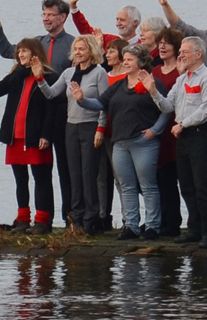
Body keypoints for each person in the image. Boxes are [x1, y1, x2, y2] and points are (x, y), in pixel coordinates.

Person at [0, 0, 75, 227]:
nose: (46, 18)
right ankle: (24, 218)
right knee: (22, 177)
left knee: (62, 172)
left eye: (50, 14)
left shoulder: (71, 44)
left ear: (62, 17)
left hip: (60, 115)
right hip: (22, 129)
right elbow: (5, 54)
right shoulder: (25, 61)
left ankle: (67, 218)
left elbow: (82, 67)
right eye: (43, 14)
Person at [75, 44, 174, 240]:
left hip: (143, 142)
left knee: (148, 185)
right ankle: (131, 225)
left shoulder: (152, 83)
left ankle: (153, 225)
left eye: (129, 59)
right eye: (125, 59)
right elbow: (100, 104)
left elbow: (167, 109)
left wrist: (154, 131)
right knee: (127, 185)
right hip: (120, 142)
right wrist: (82, 99)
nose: (125, 62)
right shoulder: (119, 85)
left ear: (140, 62)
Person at [0, 38, 58, 234]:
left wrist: (46, 135)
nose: (21, 54)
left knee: (41, 178)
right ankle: (23, 218)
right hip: (14, 136)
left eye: (25, 51)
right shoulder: (16, 75)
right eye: (19, 51)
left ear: (35, 53)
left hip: (36, 136)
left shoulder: (48, 76)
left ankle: (43, 220)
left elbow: (52, 109)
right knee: (20, 179)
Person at [34, 36, 109, 234]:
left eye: (82, 49)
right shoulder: (68, 73)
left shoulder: (99, 73)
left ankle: (91, 217)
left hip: (90, 125)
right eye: (75, 49)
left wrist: (101, 128)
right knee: (73, 173)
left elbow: (105, 104)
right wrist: (40, 78)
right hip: (71, 126)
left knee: (88, 173)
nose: (78, 52)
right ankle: (75, 217)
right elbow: (51, 93)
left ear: (91, 51)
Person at [165, 36, 207, 248]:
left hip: (201, 133)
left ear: (199, 54)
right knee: (186, 185)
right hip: (184, 135)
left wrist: (183, 124)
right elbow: (168, 105)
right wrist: (152, 90)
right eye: (180, 50)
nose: (180, 55)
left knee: (202, 184)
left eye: (185, 51)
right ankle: (194, 228)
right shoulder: (182, 79)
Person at [153, 28, 185, 237]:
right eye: (160, 43)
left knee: (184, 178)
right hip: (158, 131)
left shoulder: (181, 71)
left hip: (178, 128)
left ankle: (186, 221)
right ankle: (166, 221)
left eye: (167, 43)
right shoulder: (155, 72)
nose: (162, 47)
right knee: (162, 180)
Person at [96, 38, 130, 231]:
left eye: (111, 51)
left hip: (119, 132)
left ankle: (128, 218)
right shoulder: (104, 75)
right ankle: (102, 215)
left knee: (120, 177)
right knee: (100, 176)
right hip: (101, 131)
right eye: (106, 51)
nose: (107, 55)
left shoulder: (126, 77)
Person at [67, 0, 140, 49]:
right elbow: (87, 32)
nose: (118, 24)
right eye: (117, 20)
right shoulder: (110, 41)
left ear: (135, 22)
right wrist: (73, 7)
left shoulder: (143, 45)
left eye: (122, 20)